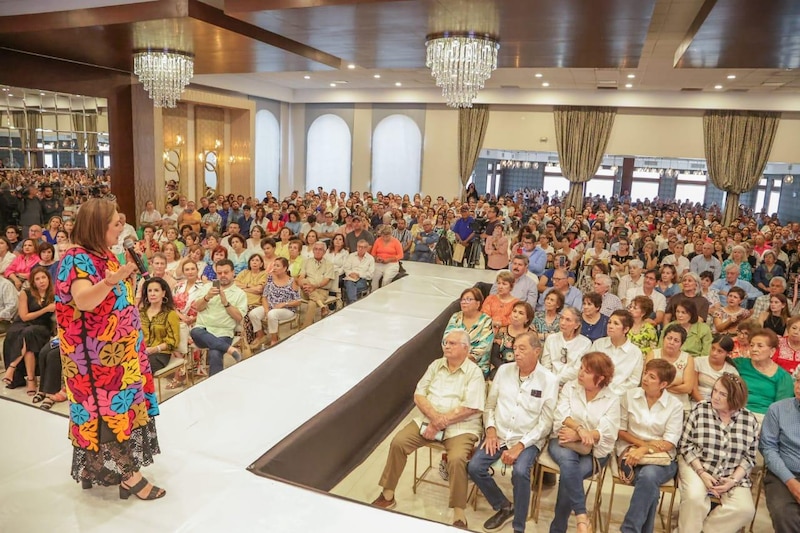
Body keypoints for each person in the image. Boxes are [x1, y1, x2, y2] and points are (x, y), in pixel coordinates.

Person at [53, 199, 163, 498]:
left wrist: (127, 269)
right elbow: (85, 300)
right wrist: (112, 280)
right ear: (98, 226)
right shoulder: (76, 259)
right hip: (97, 362)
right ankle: (130, 477)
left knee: (123, 411)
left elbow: (120, 296)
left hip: (120, 355)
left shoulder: (104, 255)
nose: (121, 228)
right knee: (108, 414)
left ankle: (99, 469)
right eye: (116, 223)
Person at [371, 329, 485, 529]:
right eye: (445, 342)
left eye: (452, 343)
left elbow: (470, 408)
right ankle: (388, 494)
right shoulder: (435, 365)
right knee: (398, 442)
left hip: (460, 427)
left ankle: (459, 512)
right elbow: (419, 395)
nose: (446, 346)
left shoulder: (474, 372)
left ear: (465, 348)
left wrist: (438, 423)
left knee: (457, 459)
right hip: (428, 420)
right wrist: (434, 420)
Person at [468, 332, 558, 533]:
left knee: (520, 471)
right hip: (498, 434)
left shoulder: (549, 380)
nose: (516, 353)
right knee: (474, 467)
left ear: (537, 351)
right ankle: (504, 506)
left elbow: (545, 423)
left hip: (527, 438)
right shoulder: (504, 371)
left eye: (522, 349)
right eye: (515, 348)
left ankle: (519, 525)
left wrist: (520, 446)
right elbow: (490, 406)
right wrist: (490, 431)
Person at [678, 373, 760, 533]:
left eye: (722, 394)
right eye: (714, 390)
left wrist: (732, 480)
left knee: (745, 510)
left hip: (731, 473)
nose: (715, 396)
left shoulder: (749, 420)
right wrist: (701, 473)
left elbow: (749, 458)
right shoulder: (700, 409)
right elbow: (685, 445)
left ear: (735, 397)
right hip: (698, 465)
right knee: (695, 498)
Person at [548, 351, 620, 533]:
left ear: (601, 378)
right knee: (568, 463)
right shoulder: (570, 387)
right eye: (581, 368)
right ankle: (581, 517)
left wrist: (579, 435)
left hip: (595, 451)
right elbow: (561, 415)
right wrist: (580, 429)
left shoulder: (612, 399)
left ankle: (558, 528)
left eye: (587, 371)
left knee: (569, 474)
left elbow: (607, 432)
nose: (580, 373)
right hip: (563, 440)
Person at [616, 359, 683, 533]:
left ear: (663, 384)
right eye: (646, 373)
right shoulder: (630, 395)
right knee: (649, 483)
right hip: (631, 452)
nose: (645, 378)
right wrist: (642, 445)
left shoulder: (675, 405)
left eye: (651, 377)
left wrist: (645, 449)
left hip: (662, 459)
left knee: (648, 476)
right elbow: (621, 431)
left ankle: (629, 529)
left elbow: (669, 443)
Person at [759, 366, 800, 533]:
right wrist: (791, 482)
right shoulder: (777, 409)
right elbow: (768, 448)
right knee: (784, 514)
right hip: (782, 475)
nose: (799, 386)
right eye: (798, 381)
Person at [2, 267, 55, 394]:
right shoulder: (25, 293)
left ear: (48, 279)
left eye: (43, 277)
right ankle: (31, 380)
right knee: (22, 335)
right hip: (23, 324)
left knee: (28, 333)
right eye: (37, 279)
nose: (41, 281)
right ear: (33, 282)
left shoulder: (54, 294)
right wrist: (46, 309)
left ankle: (12, 367)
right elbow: (24, 316)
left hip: (42, 326)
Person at [190, 258, 247, 376]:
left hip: (223, 332)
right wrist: (207, 297)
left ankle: (214, 386)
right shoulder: (207, 288)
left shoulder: (239, 293)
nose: (223, 275)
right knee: (195, 331)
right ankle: (230, 350)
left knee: (215, 353)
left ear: (233, 273)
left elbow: (238, 318)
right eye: (219, 273)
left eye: (226, 272)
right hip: (203, 330)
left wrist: (225, 302)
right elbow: (198, 307)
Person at [731, 328, 794, 416]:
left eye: (760, 346)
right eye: (752, 345)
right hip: (735, 411)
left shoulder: (783, 377)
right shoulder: (739, 363)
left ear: (772, 351)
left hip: (764, 417)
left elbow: (782, 409)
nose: (754, 349)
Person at [248, 257, 302, 349]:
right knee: (253, 314)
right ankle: (260, 336)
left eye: (277, 266)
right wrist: (266, 310)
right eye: (274, 265)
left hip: (287, 309)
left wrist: (284, 304)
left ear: (285, 268)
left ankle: (274, 339)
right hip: (271, 306)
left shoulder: (292, 281)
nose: (275, 268)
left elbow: (298, 301)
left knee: (272, 314)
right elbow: (264, 297)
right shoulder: (270, 278)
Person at [590, 309, 644, 397]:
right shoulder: (598, 344)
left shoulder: (635, 352)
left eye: (616, 324)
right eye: (609, 322)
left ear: (626, 329)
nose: (610, 326)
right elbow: (590, 368)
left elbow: (634, 381)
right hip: (595, 391)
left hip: (620, 397)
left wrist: (614, 393)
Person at [444, 287, 494, 378]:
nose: (464, 302)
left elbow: (484, 346)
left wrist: (463, 358)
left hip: (477, 365)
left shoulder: (486, 320)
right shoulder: (456, 317)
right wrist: (455, 357)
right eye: (462, 300)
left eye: (468, 299)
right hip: (453, 360)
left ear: (478, 304)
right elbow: (446, 339)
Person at [646, 323, 695, 410]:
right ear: (663, 339)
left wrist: (659, 385)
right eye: (669, 338)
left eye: (676, 340)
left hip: (680, 405)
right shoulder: (653, 354)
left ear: (681, 344)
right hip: (654, 402)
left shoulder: (688, 358)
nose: (671, 342)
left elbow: (688, 388)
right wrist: (677, 381)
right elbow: (647, 381)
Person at [541, 306, 593, 387]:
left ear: (577, 325)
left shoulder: (585, 343)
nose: (562, 322)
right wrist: (550, 380)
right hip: (549, 382)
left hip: (572, 385)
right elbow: (546, 363)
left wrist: (556, 380)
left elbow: (577, 369)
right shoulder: (551, 338)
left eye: (568, 320)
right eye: (562, 318)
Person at [139, 277, 180, 374]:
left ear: (163, 293)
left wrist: (154, 349)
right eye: (149, 291)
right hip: (140, 352)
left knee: (139, 369)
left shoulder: (170, 314)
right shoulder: (141, 313)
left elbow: (173, 341)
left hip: (160, 354)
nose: (152, 294)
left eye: (156, 290)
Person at [297, 241, 335, 329]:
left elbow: (326, 280)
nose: (318, 251)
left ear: (324, 252)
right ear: (313, 251)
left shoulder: (329, 264)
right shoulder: (306, 262)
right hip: (306, 291)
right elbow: (301, 277)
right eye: (316, 249)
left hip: (322, 291)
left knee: (312, 304)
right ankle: (322, 306)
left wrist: (314, 286)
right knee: (305, 280)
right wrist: (304, 283)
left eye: (320, 250)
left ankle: (305, 328)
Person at [692, 334, 739, 403]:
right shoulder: (698, 362)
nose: (714, 353)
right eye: (713, 348)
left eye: (719, 351)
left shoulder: (731, 371)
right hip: (697, 401)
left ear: (728, 354)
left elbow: (732, 395)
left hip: (720, 404)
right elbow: (693, 389)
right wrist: (704, 404)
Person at [491, 301, 534, 374]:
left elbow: (532, 358)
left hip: (523, 371)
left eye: (521, 313)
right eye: (514, 311)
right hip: (502, 369)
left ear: (527, 319)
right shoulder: (502, 331)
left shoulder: (531, 335)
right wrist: (506, 369)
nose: (515, 315)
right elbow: (494, 357)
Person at [342, 239, 375, 304]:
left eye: (363, 247)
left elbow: (370, 274)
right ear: (356, 247)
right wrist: (351, 274)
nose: (361, 249)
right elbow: (346, 268)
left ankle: (351, 303)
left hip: (362, 279)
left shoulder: (370, 258)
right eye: (359, 246)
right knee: (350, 284)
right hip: (350, 278)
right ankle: (354, 303)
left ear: (366, 248)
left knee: (351, 288)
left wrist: (359, 275)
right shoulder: (351, 256)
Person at [370, 225, 403, 291]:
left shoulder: (396, 242)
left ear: (391, 234)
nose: (385, 237)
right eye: (383, 235)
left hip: (391, 264)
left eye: (387, 236)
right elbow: (373, 253)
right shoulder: (378, 240)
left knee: (386, 279)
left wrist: (389, 259)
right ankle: (373, 294)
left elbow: (400, 255)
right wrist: (377, 258)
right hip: (379, 263)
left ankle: (384, 295)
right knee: (374, 278)